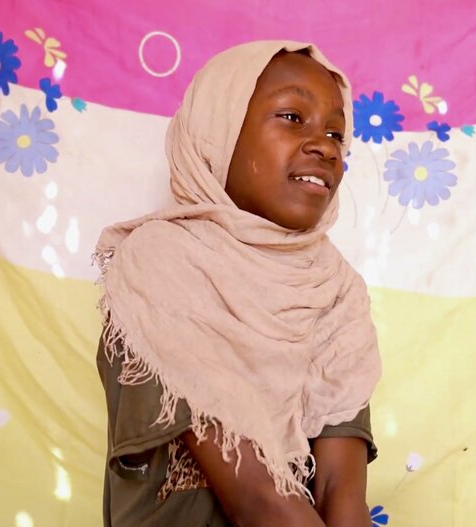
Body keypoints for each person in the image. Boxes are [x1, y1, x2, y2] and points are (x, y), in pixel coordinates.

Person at [94, 40, 382, 526]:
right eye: (292, 117)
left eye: (336, 132)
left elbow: (341, 493)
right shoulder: (159, 266)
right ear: (218, 132)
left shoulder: (335, 289)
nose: (325, 146)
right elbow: (259, 501)